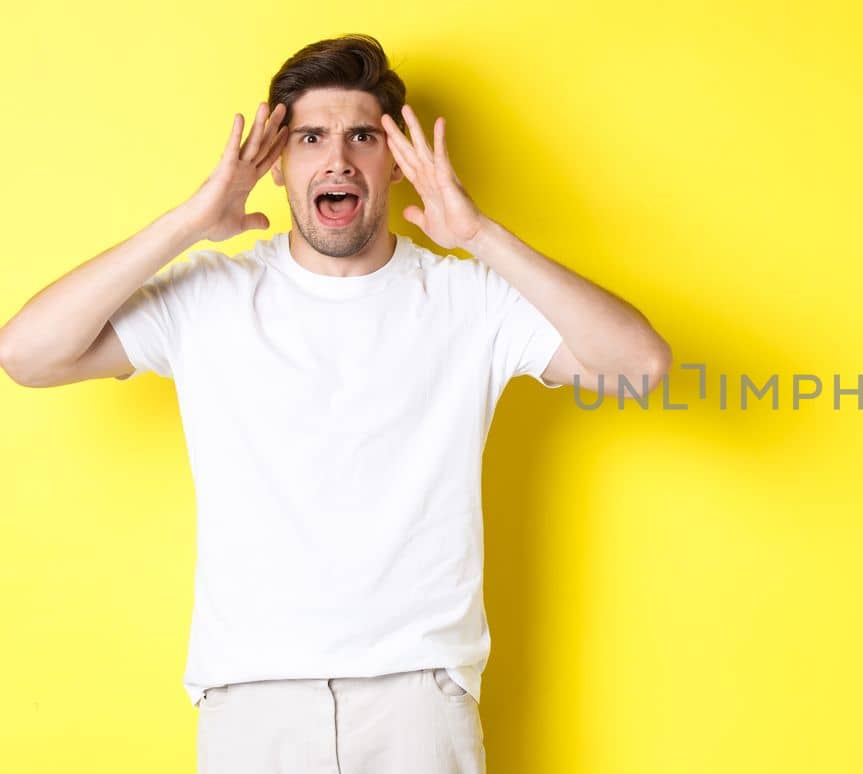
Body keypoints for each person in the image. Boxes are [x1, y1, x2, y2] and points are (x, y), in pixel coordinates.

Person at [0, 34, 671, 774]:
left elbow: (638, 364)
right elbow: (28, 354)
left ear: (395, 162)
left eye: (363, 137)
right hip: (251, 698)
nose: (338, 159)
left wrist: (477, 235)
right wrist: (189, 222)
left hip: (419, 698)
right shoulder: (207, 300)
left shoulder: (466, 298)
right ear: (278, 164)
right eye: (311, 137)